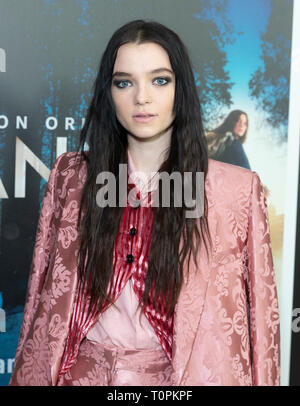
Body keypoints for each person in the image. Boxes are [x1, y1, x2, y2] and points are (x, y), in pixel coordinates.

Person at [9, 19, 280, 386]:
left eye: (159, 80)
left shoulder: (234, 190)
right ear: (109, 91)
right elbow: (42, 295)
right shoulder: (71, 176)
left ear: (179, 88)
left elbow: (261, 322)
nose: (142, 97)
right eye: (124, 82)